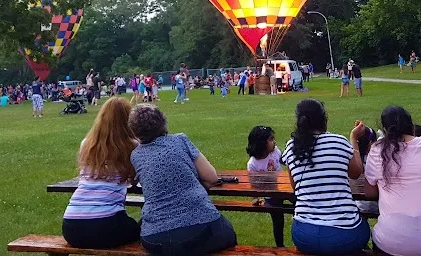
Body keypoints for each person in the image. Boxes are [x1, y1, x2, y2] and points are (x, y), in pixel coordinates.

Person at [129, 104, 237, 255]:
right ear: (162, 121)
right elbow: (212, 177)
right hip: (200, 226)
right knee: (227, 232)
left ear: (135, 131)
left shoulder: (136, 155)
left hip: (154, 237)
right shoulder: (180, 140)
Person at [364, 106, 421, 256]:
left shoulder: (377, 149)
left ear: (385, 129)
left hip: (392, 242)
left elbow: (370, 192)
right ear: (411, 125)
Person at [281, 99, 370, 255]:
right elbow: (356, 173)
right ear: (324, 119)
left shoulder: (291, 146)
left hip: (304, 234)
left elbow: (295, 186)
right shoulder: (339, 141)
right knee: (364, 229)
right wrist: (354, 139)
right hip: (345, 235)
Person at [62, 97, 140, 249]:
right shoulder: (132, 146)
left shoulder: (87, 144)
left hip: (71, 225)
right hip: (106, 224)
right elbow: (135, 179)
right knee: (144, 228)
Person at [246, 125, 286, 247]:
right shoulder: (253, 164)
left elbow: (284, 161)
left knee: (298, 205)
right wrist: (255, 197)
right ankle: (280, 246)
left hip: (284, 187)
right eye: (271, 139)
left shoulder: (275, 152)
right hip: (271, 193)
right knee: (278, 219)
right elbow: (253, 183)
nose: (274, 142)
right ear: (261, 143)